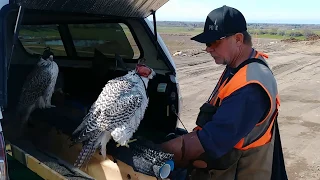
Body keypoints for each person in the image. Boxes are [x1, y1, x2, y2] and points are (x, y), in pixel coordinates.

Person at [161, 5, 288, 180]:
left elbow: (207, 143)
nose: (208, 48)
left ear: (238, 39)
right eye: (207, 43)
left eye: (215, 42)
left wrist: (159, 150)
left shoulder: (250, 87)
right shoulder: (238, 66)